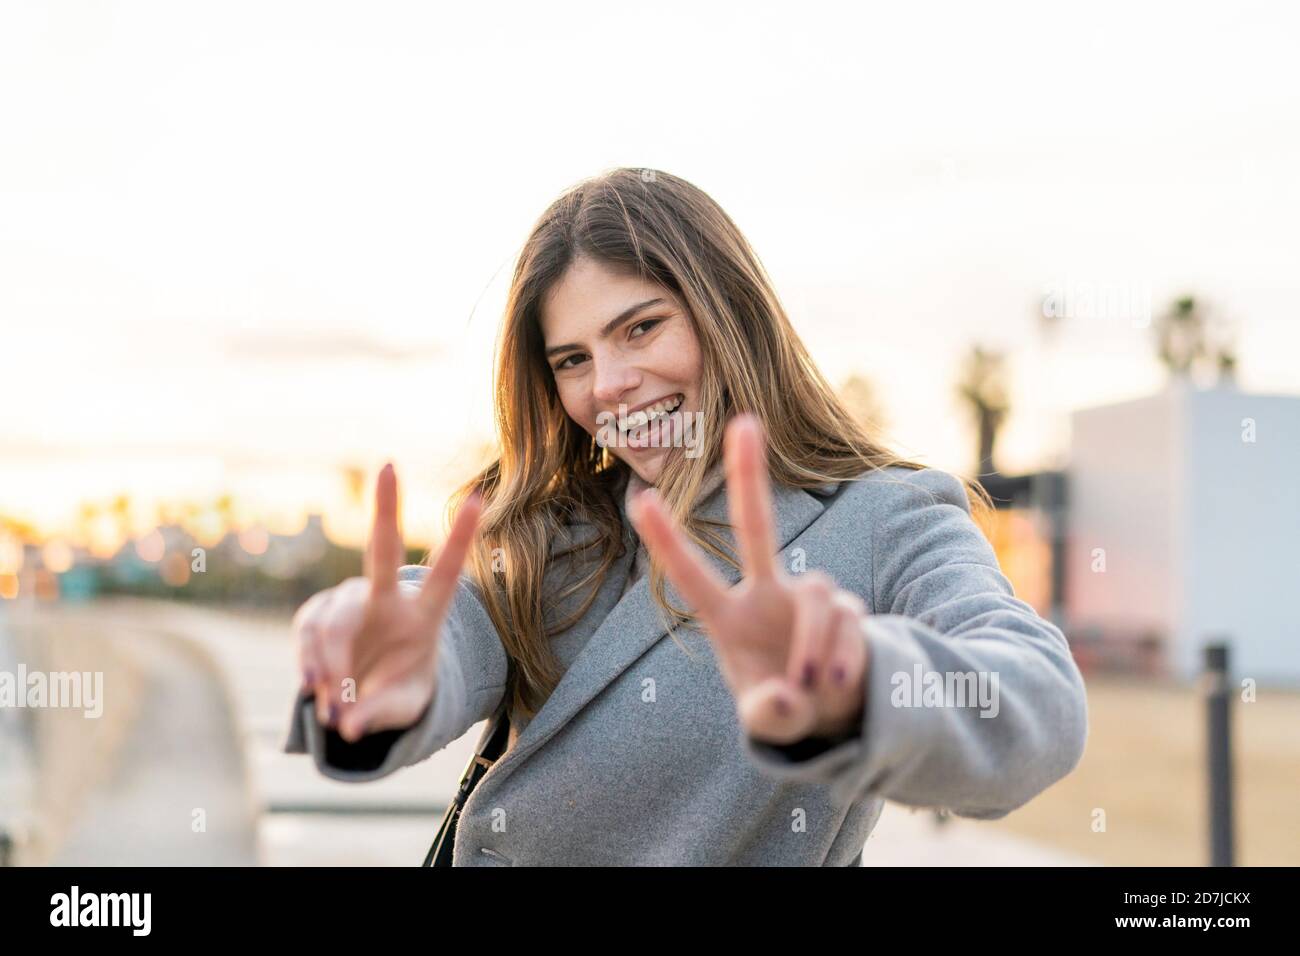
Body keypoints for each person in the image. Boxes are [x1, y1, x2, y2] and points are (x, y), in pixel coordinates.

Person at [284, 167, 1088, 866]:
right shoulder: (553, 535)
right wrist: (390, 670)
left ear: (727, 313)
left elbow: (1038, 709)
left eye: (641, 327)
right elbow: (455, 623)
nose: (608, 385)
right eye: (573, 360)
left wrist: (855, 684)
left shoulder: (885, 517)